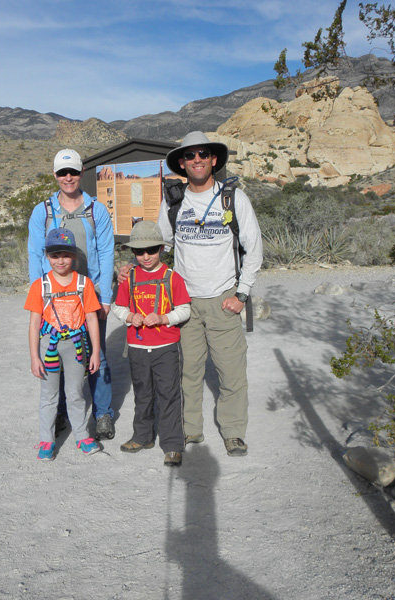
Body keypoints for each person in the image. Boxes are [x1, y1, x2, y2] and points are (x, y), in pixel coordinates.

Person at [159, 131, 263, 457]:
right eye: (190, 156)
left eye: (203, 153)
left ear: (213, 159)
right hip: (185, 302)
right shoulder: (174, 202)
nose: (197, 159)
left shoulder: (234, 199)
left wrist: (242, 295)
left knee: (231, 371)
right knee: (188, 371)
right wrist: (133, 268)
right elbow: (160, 245)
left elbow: (254, 249)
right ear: (183, 163)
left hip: (223, 299)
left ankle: (232, 432)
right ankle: (191, 431)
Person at [27, 149, 116, 441]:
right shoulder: (44, 211)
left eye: (74, 172)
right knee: (58, 354)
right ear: (55, 175)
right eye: (63, 173)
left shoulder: (96, 209)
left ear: (81, 173)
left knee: (96, 354)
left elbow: (105, 251)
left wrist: (105, 296)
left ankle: (102, 414)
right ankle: (62, 413)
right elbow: (35, 252)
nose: (69, 178)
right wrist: (39, 294)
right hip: (53, 298)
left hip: (88, 294)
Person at [112, 221, 191, 467]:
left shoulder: (172, 278)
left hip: (166, 348)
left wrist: (164, 318)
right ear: (132, 253)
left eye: (152, 250)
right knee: (142, 393)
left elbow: (185, 309)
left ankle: (173, 445)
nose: (146, 256)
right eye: (139, 251)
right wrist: (128, 317)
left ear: (161, 249)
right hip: (137, 348)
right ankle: (143, 436)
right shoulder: (128, 278)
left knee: (169, 395)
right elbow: (118, 306)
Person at [24, 227, 102, 460]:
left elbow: (91, 319)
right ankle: (46, 440)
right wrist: (34, 357)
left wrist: (96, 352)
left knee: (76, 392)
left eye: (65, 255)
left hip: (76, 345)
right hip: (49, 345)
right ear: (47, 256)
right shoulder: (40, 285)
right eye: (54, 255)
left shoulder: (83, 284)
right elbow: (34, 322)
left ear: (74, 256)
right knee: (48, 394)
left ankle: (82, 436)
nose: (60, 261)